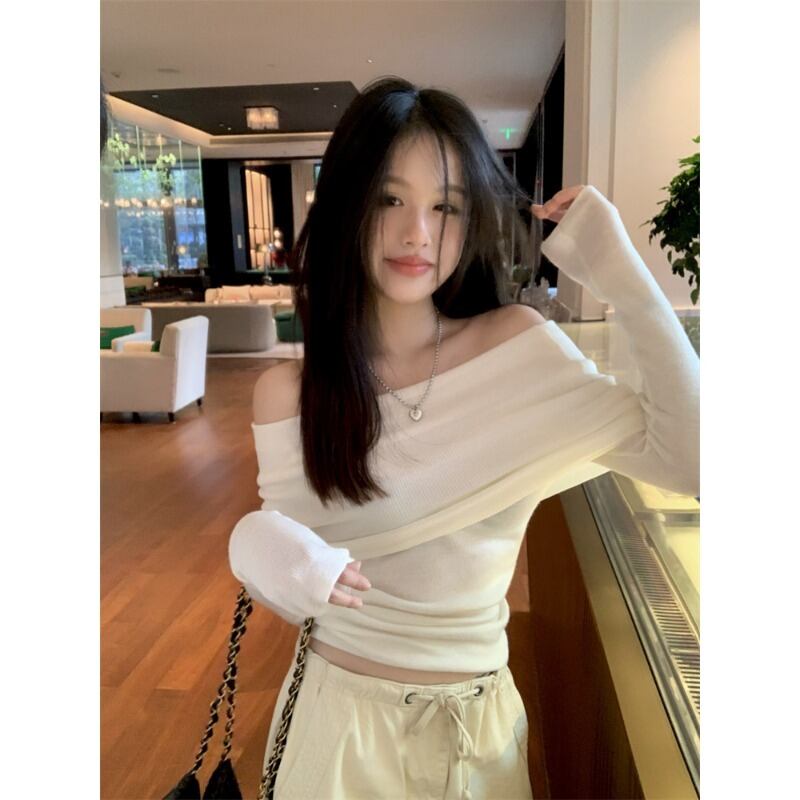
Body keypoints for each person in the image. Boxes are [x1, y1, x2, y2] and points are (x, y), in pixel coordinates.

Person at [228, 76, 699, 799]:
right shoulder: (288, 396)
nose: (417, 233)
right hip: (332, 729)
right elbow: (291, 569)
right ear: (348, 204)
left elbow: (694, 460)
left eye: (445, 206)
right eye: (389, 200)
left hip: (472, 735)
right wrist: (253, 545)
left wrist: (622, 272)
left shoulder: (516, 349)